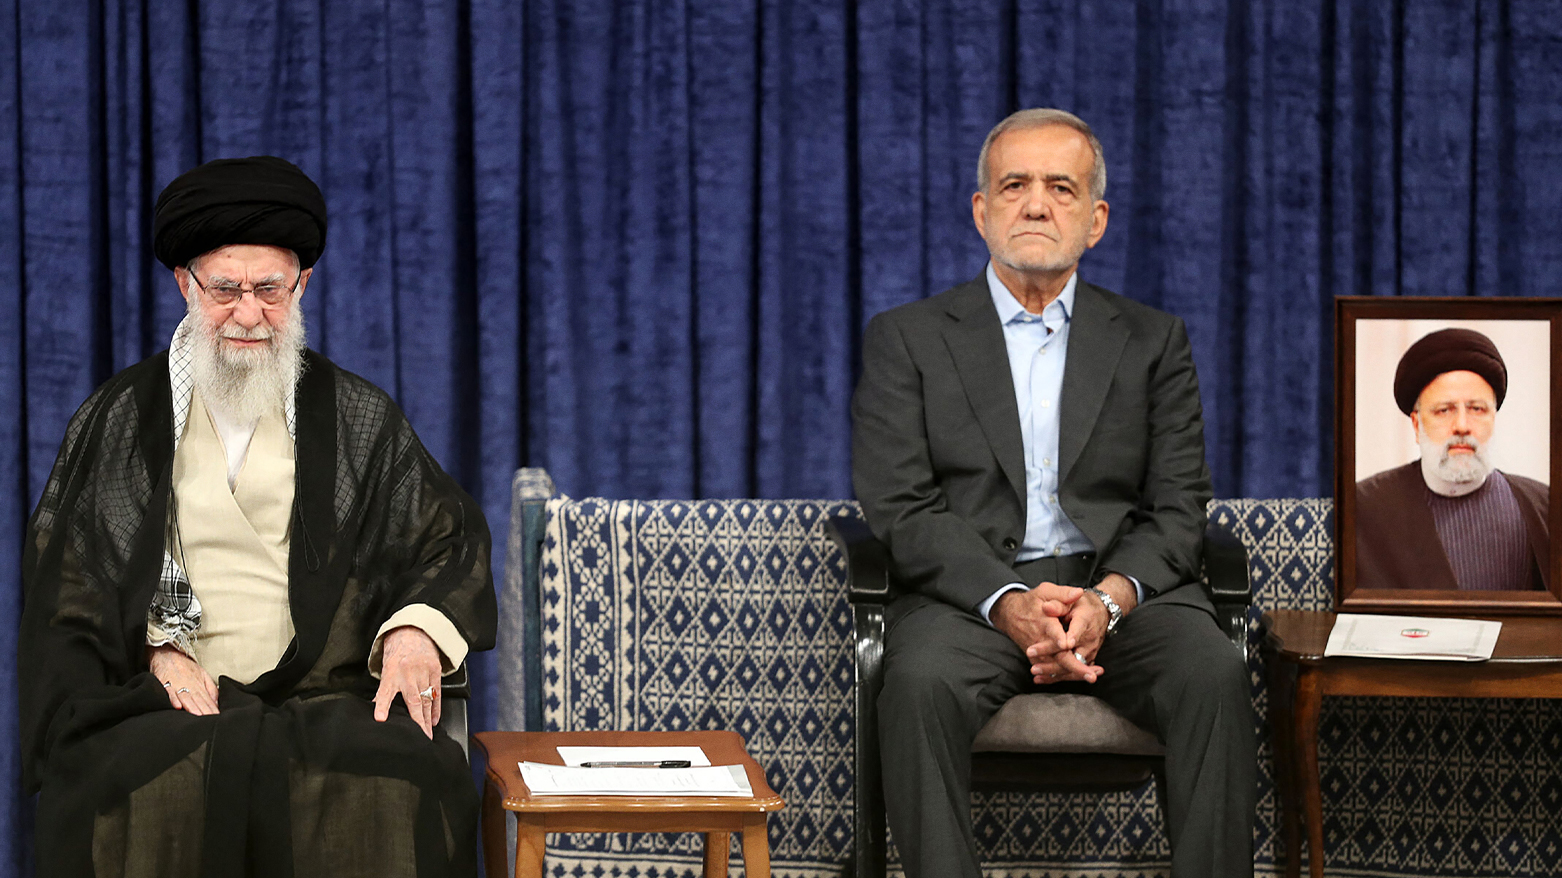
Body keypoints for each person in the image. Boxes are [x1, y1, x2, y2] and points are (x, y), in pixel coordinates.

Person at [19, 156, 497, 877]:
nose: (248, 314)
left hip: (323, 692)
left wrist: (412, 632)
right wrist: (154, 649)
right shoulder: (122, 418)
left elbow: (445, 540)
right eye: (225, 290)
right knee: (137, 776)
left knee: (404, 776)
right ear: (185, 283)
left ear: (301, 285)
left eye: (270, 290)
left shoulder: (355, 416)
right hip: (168, 699)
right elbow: (74, 580)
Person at [850, 109, 1254, 878]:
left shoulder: (1153, 341)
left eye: (1060, 187)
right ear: (981, 210)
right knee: (917, 683)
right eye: (1014, 185)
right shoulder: (907, 338)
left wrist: (1104, 600)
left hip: (1125, 599)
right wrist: (1007, 601)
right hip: (969, 600)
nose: (1036, 204)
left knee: (1215, 672)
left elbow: (1177, 505)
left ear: (1095, 220)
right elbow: (900, 506)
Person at [1355, 328, 1549, 591]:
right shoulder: (1363, 508)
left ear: (1494, 417)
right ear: (1416, 424)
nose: (1461, 425)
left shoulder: (1545, 507)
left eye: (1477, 409)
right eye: (1444, 410)